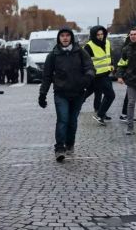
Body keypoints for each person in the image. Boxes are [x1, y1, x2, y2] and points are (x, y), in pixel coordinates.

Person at [37, 28, 95, 162]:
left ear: (71, 37)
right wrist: (42, 94)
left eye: (67, 35)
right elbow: (47, 76)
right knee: (63, 119)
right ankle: (59, 148)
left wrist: (86, 79)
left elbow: (90, 68)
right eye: (62, 36)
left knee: (72, 121)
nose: (65, 38)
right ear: (59, 38)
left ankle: (70, 144)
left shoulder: (80, 52)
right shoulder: (53, 55)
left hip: (78, 93)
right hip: (61, 93)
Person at [83, 25, 116, 125]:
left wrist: (112, 65)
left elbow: (110, 55)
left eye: (102, 34)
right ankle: (100, 115)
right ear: (93, 35)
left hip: (106, 73)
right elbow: (85, 62)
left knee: (106, 95)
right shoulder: (88, 46)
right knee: (111, 95)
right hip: (97, 75)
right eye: (98, 35)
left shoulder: (107, 42)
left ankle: (102, 113)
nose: (100, 36)